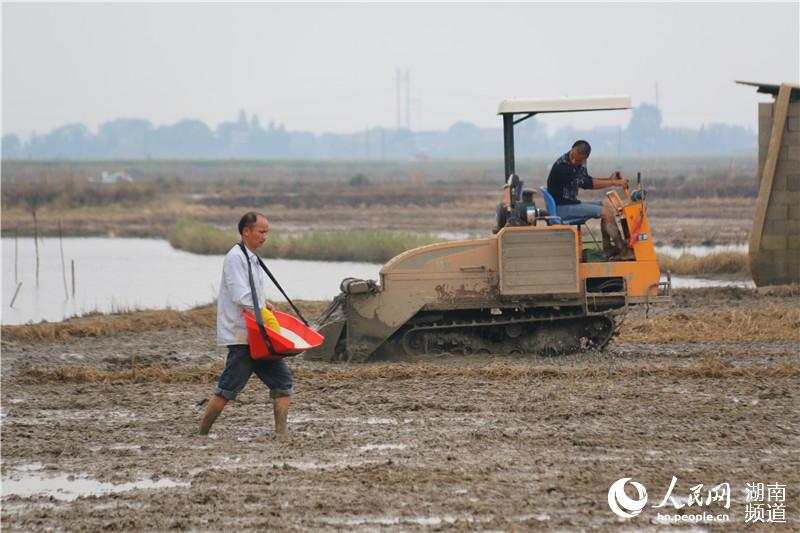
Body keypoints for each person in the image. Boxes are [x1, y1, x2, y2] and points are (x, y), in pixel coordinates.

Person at [199, 211, 293, 435]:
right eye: (261, 232)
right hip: (243, 336)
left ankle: (281, 434)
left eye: (266, 232)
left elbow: (252, 292)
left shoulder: (251, 256)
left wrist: (265, 303)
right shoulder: (235, 257)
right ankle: (201, 433)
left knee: (283, 384)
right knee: (227, 389)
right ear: (246, 231)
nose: (264, 236)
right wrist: (260, 306)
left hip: (259, 336)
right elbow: (241, 296)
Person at [546, 140, 632, 259]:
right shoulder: (563, 166)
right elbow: (586, 184)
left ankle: (608, 249)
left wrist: (609, 179)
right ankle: (623, 251)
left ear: (585, 158)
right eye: (573, 157)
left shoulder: (581, 162)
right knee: (606, 212)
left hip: (571, 203)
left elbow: (586, 179)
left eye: (579, 160)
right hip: (562, 208)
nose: (574, 161)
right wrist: (614, 182)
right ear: (571, 149)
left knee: (606, 205)